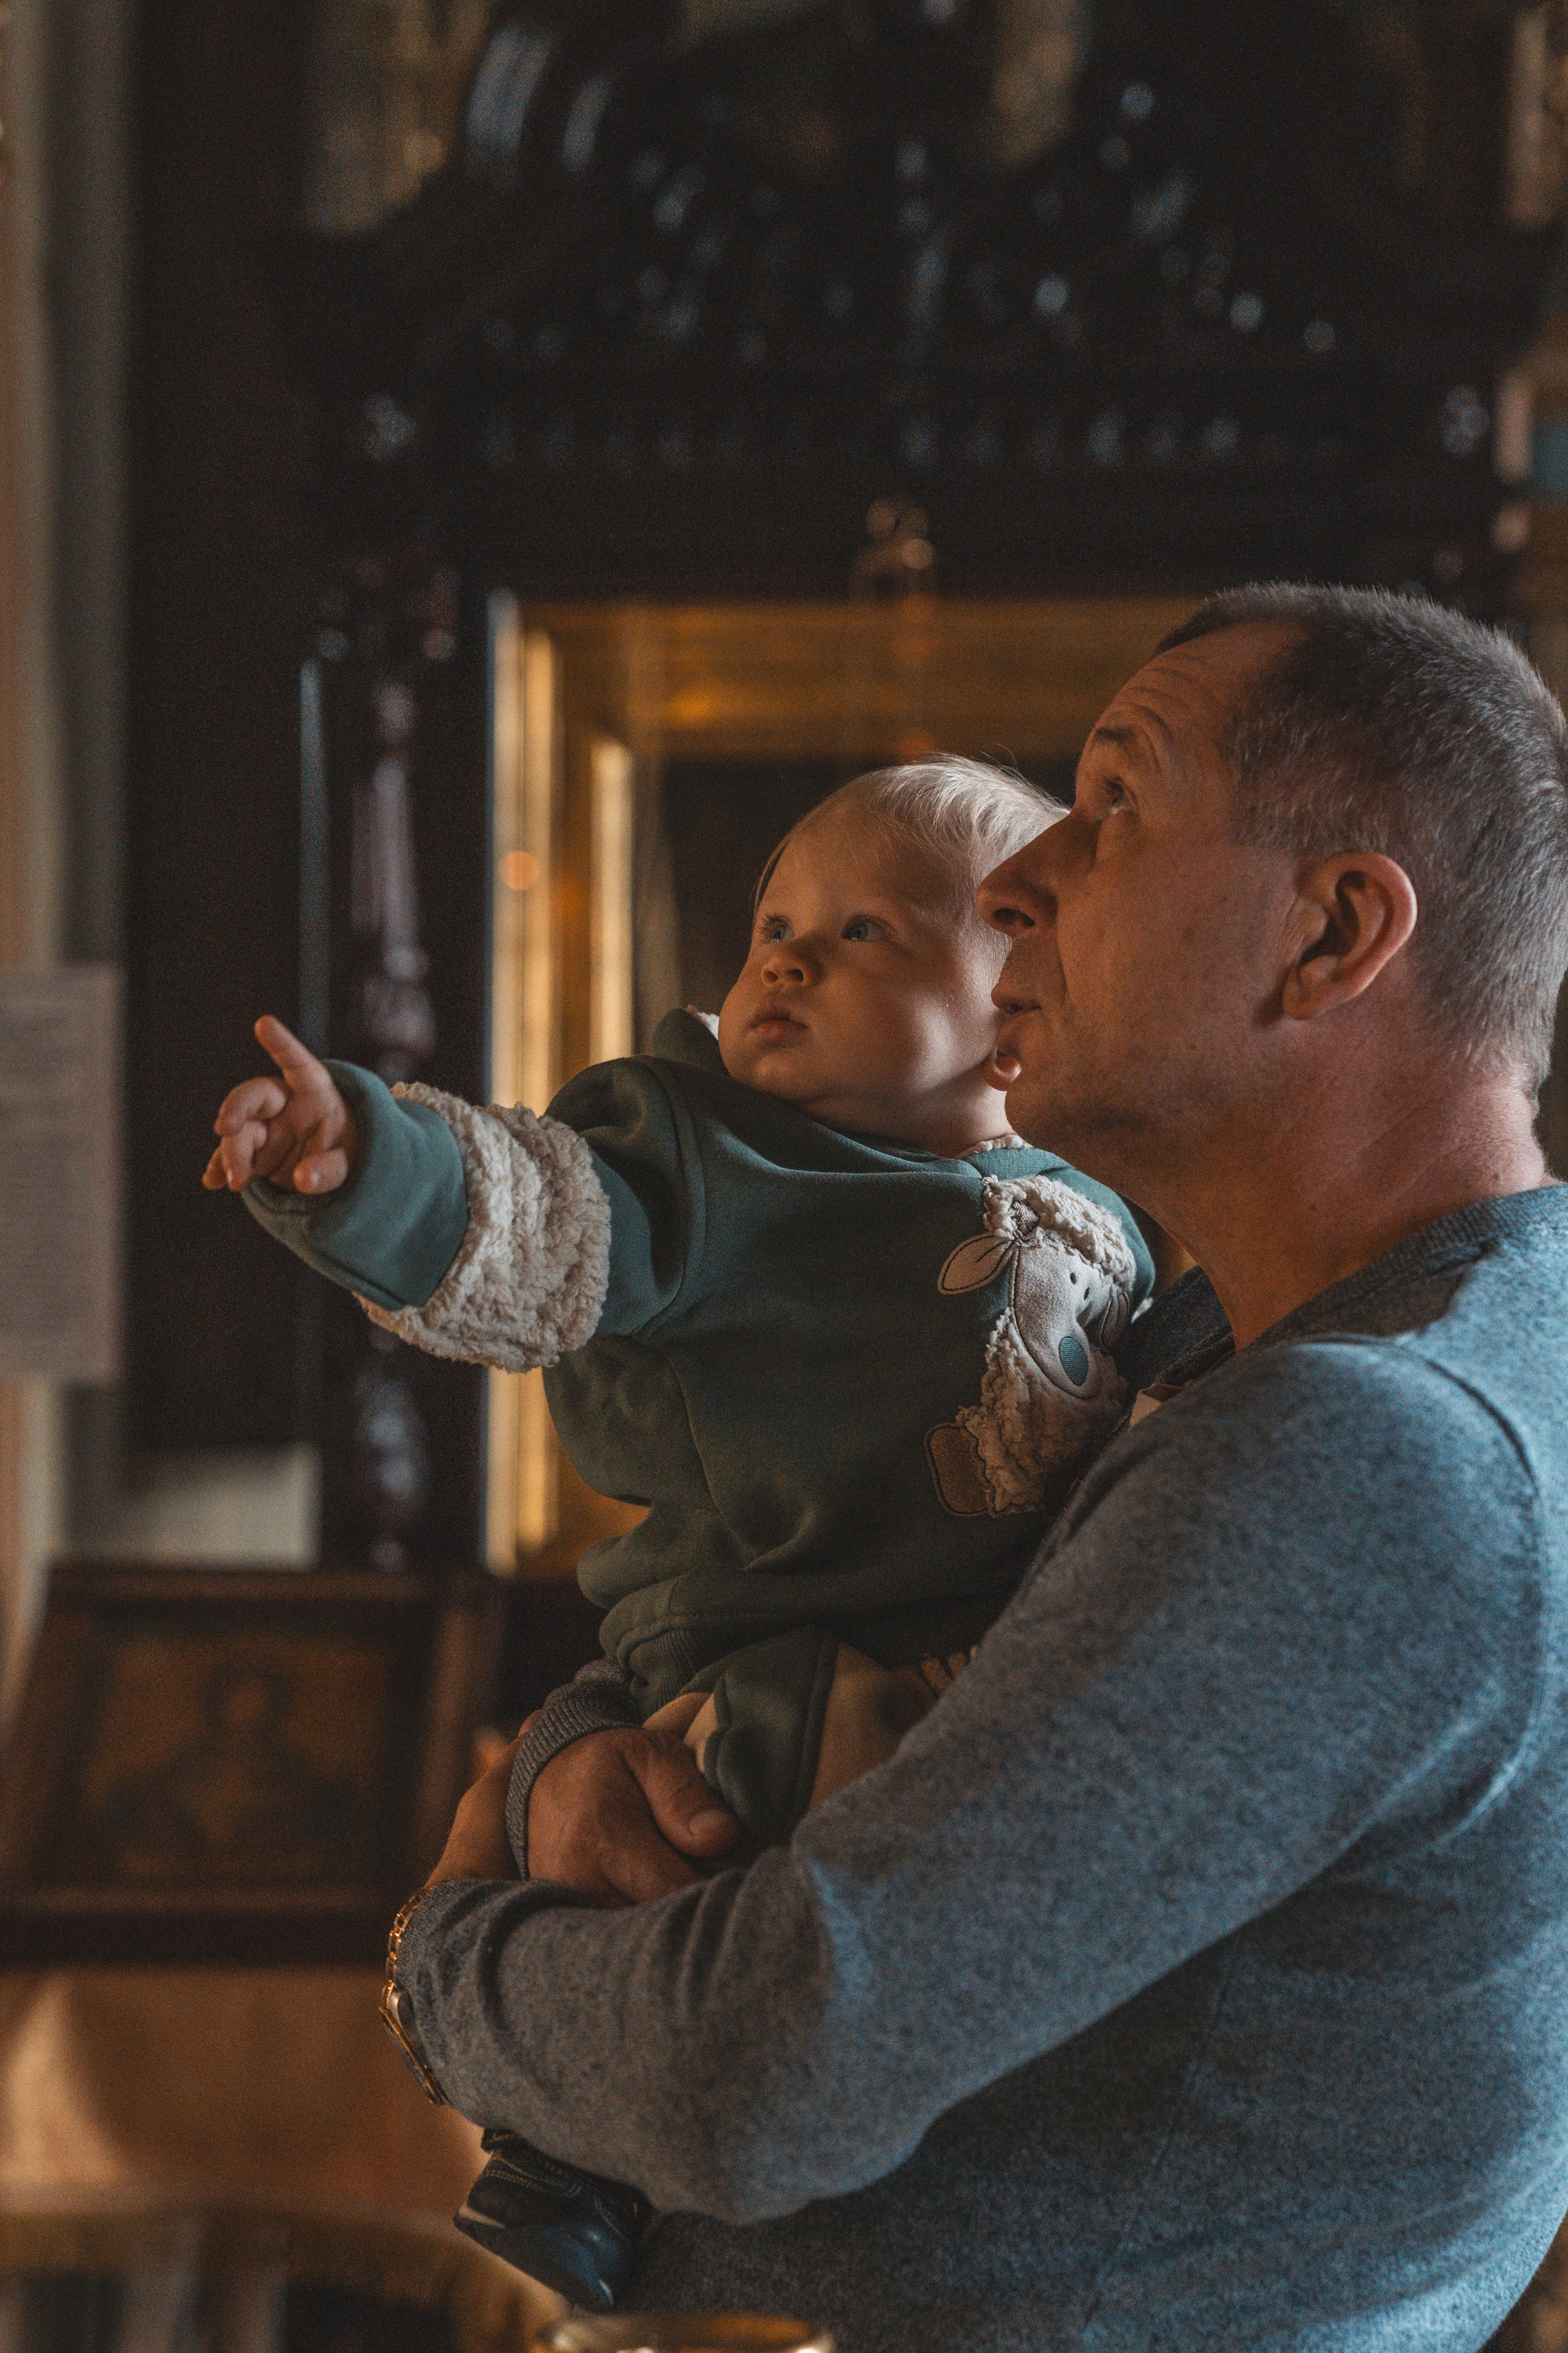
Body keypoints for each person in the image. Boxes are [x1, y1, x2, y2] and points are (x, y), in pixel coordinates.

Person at [383, 586, 1568, 2353]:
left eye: (1115, 806)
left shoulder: (1368, 1448)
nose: (1021, 883)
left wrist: (448, 1960)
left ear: (1334, 935)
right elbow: (804, 1625)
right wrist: (575, 1763)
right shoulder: (1296, 1356)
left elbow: (762, 2064)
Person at [204, 758, 1155, 2306]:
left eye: (866, 935)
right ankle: (566, 2165)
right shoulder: (709, 1159)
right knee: (724, 1853)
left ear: (1018, 1002)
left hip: (980, 1642)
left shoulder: (1088, 1185)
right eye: (774, 924)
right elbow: (541, 1207)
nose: (784, 959)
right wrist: (371, 1163)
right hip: (763, 1644)